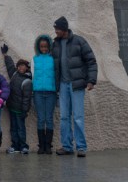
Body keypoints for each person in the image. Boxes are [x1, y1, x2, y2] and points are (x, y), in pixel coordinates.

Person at [52, 16, 97, 157]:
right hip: (63, 85)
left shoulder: (79, 41)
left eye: (57, 29)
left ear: (64, 29)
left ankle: (81, 147)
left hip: (76, 85)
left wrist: (91, 80)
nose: (56, 31)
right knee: (64, 117)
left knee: (78, 117)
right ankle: (67, 146)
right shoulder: (56, 44)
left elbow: (91, 61)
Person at [0, 44, 32, 154]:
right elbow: (10, 66)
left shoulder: (27, 80)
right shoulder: (14, 74)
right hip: (12, 107)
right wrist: (5, 54)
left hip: (20, 110)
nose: (21, 68)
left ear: (27, 68)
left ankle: (23, 146)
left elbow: (27, 98)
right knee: (13, 128)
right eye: (19, 66)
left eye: (23, 66)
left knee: (20, 128)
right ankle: (15, 145)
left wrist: (25, 110)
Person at [32, 34, 57, 154]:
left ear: (49, 46)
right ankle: (41, 146)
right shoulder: (34, 59)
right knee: (41, 119)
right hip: (38, 92)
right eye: (42, 46)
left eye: (46, 46)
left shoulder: (53, 58)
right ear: (38, 47)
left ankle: (48, 146)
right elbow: (32, 75)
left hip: (51, 92)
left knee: (49, 119)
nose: (44, 48)